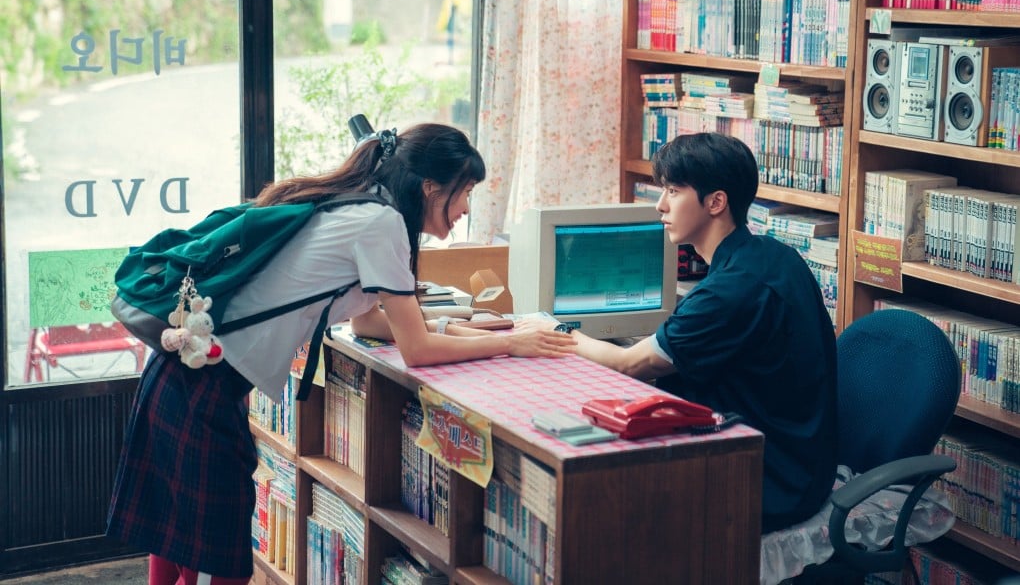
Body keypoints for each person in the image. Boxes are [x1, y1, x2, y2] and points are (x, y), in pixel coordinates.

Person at [107, 122, 577, 585]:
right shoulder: (384, 222)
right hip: (202, 383)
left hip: (184, 372)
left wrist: (468, 330)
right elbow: (416, 350)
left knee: (175, 538)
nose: (466, 208)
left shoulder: (363, 201)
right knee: (218, 561)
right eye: (466, 191)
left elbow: (368, 321)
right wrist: (511, 342)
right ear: (432, 187)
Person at [521, 132, 837, 534]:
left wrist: (555, 329)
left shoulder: (729, 291)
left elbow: (630, 364)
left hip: (766, 478)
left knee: (593, 495)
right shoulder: (774, 256)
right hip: (797, 461)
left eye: (673, 190)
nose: (660, 205)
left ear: (716, 202)